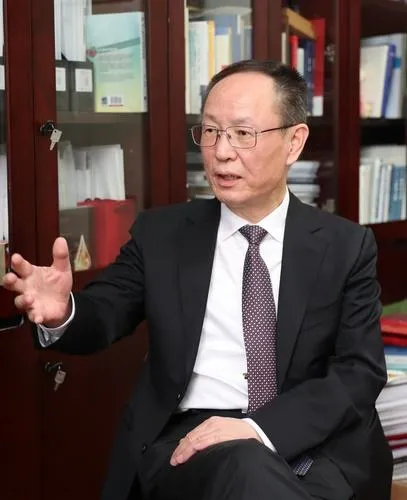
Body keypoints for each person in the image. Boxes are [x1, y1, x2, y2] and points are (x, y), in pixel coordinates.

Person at [3, 60, 392, 500]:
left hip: (314, 441)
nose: (221, 151)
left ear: (294, 142)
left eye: (242, 133)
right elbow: (106, 311)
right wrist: (64, 312)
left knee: (257, 469)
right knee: (245, 466)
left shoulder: (345, 246)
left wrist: (258, 428)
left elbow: (359, 371)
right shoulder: (162, 235)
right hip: (193, 442)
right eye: (210, 131)